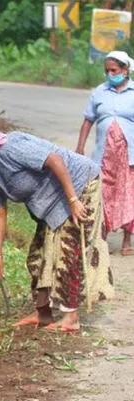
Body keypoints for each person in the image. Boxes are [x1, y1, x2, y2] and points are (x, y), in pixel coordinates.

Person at [0, 119, 114, 332]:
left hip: (78, 186)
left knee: (68, 251)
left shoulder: (11, 147)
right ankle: (43, 312)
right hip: (50, 204)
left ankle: (71, 317)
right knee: (37, 257)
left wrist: (73, 200)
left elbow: (55, 160)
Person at [77, 50, 134, 255]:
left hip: (129, 155)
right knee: (104, 193)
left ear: (125, 70)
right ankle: (103, 237)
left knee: (128, 193)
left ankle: (127, 240)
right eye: (107, 71)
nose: (110, 74)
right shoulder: (99, 92)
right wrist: (80, 146)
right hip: (105, 154)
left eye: (114, 70)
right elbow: (88, 121)